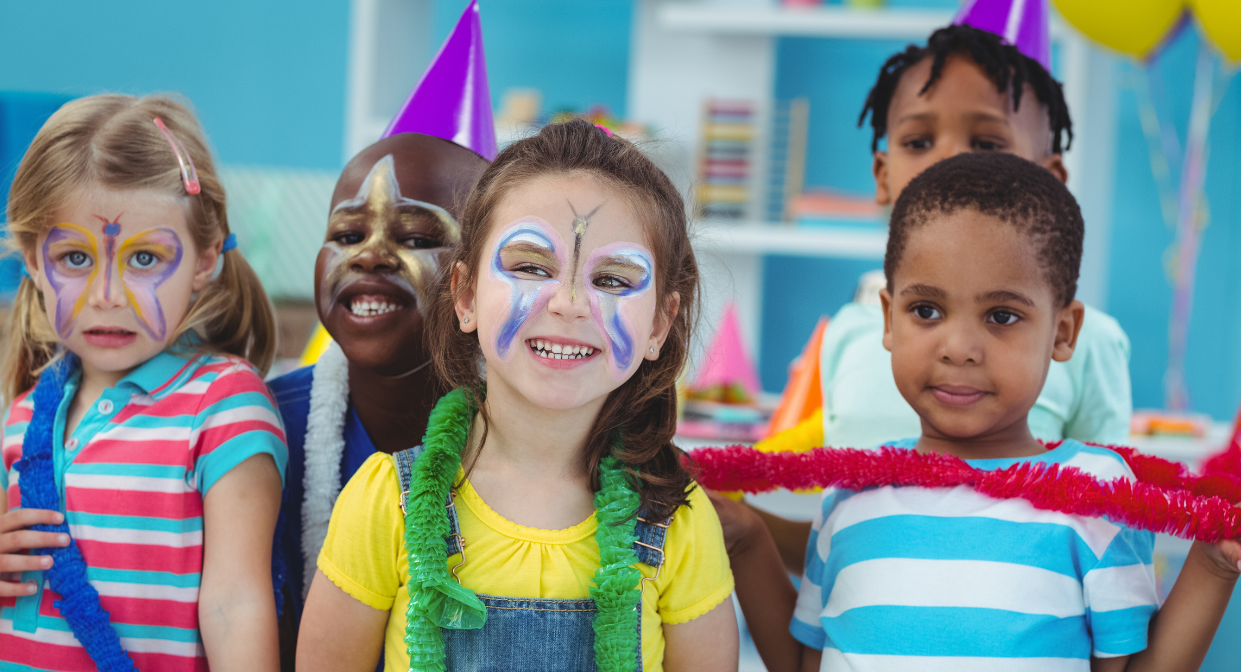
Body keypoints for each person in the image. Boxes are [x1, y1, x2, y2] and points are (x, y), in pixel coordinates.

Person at [722, 152, 1241, 672]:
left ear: (1062, 333)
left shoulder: (1098, 494)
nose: (959, 347)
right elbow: (803, 665)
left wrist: (1215, 565)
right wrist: (745, 540)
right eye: (926, 311)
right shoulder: (852, 494)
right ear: (887, 318)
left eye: (1001, 316)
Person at [297, 120, 739, 671]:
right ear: (465, 295)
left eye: (613, 280)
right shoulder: (386, 502)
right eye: (531, 267)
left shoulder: (680, 523)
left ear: (659, 325)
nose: (569, 303)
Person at [749, 23, 1133, 576]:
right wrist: (741, 529)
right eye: (918, 141)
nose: (948, 161)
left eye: (987, 143)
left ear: (1051, 178)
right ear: (882, 174)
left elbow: (1115, 520)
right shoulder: (852, 332)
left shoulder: (1089, 340)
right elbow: (834, 542)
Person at [0, 94, 286, 671]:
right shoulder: (25, 411)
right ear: (32, 258)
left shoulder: (222, 405)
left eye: (146, 259)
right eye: (75, 259)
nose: (108, 294)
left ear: (205, 260)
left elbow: (236, 605)